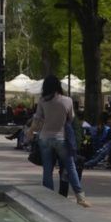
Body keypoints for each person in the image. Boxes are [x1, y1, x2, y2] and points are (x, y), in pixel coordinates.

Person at [24, 75, 91, 208]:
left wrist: (30, 131)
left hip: (45, 138)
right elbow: (71, 119)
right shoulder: (67, 100)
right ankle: (80, 197)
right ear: (58, 86)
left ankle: (49, 198)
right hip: (61, 138)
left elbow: (37, 121)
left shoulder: (42, 101)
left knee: (47, 170)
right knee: (70, 167)